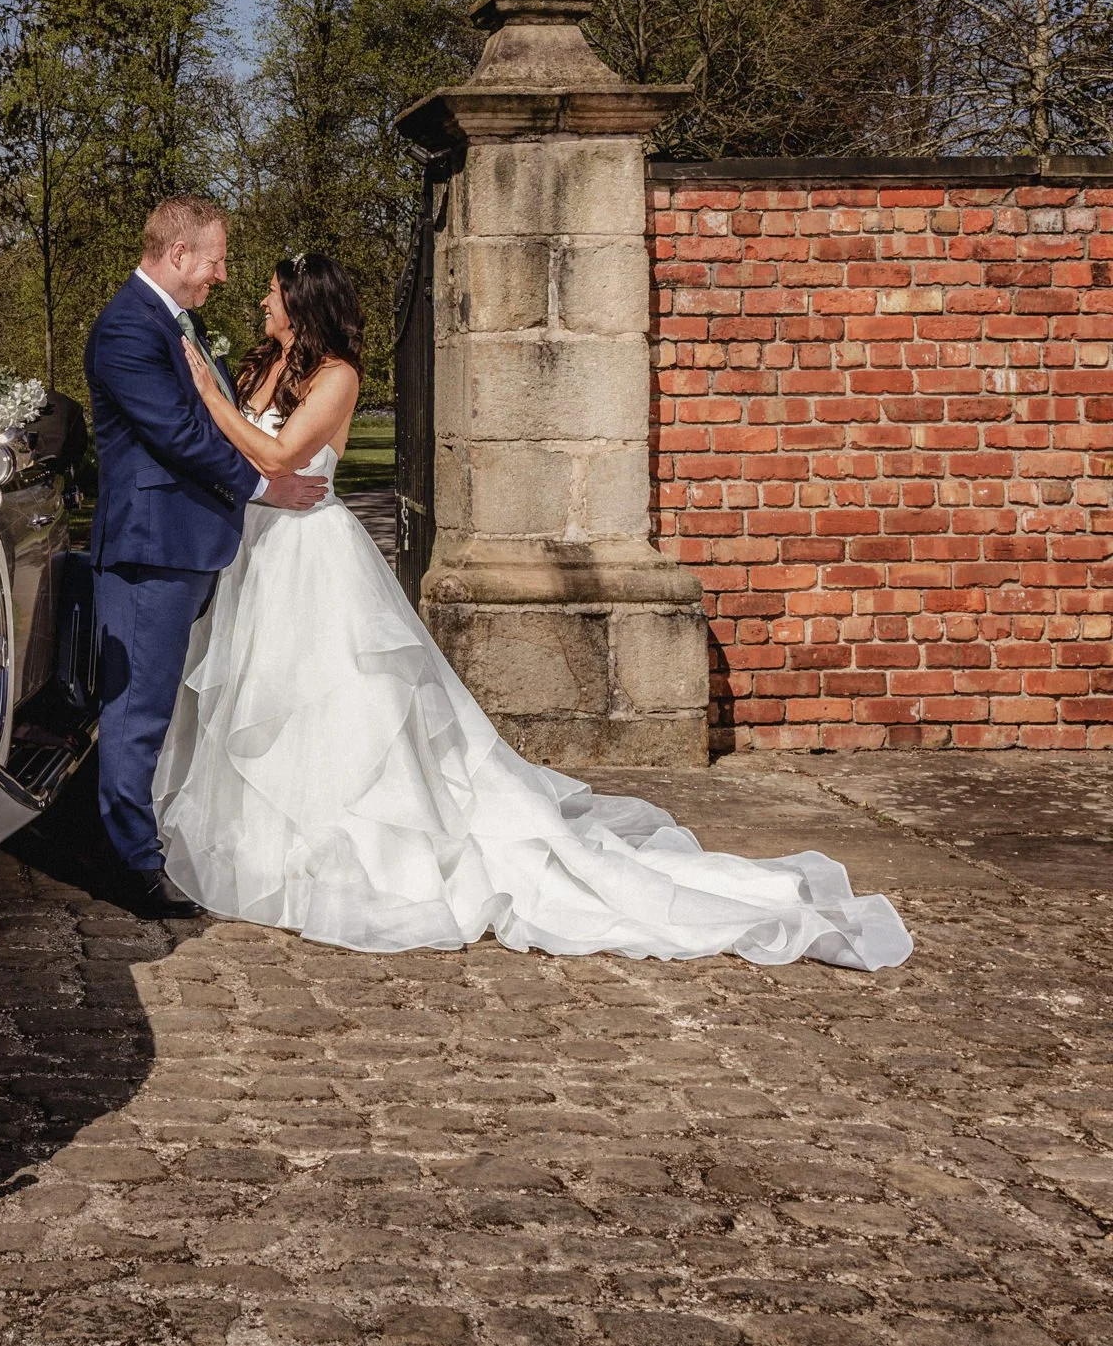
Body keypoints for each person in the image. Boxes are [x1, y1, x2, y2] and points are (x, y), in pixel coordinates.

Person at [153, 251, 911, 970]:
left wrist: (213, 397)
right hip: (260, 553)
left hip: (312, 556)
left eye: (273, 291)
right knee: (267, 697)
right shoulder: (268, 362)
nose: (260, 298)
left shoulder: (340, 377)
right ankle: (262, 841)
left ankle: (355, 849)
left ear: (300, 300)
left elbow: (280, 458)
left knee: (332, 701)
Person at [83, 197, 328, 920]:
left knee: (160, 705)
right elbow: (177, 434)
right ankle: (131, 866)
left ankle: (142, 840)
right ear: (179, 254)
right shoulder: (129, 326)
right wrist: (266, 486)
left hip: (183, 545)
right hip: (150, 549)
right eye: (215, 259)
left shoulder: (171, 321)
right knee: (137, 710)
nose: (223, 274)